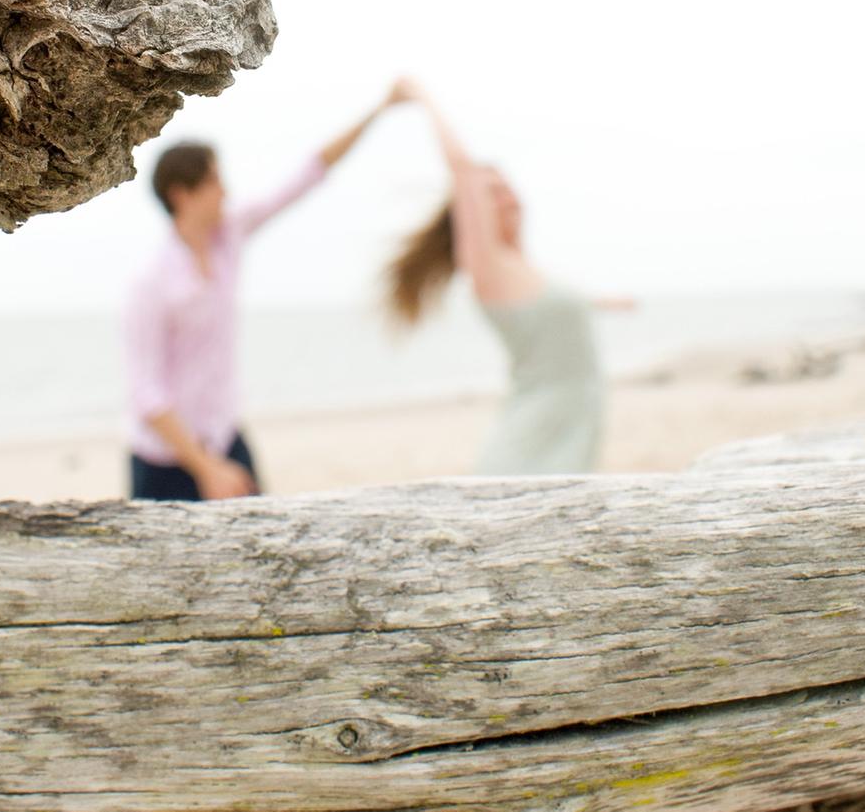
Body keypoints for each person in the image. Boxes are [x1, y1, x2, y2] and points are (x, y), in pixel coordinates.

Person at [124, 82, 412, 501]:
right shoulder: (149, 281)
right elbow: (146, 395)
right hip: (165, 464)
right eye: (214, 181)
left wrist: (380, 108)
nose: (226, 191)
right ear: (181, 195)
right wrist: (206, 470)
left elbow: (307, 174)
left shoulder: (231, 235)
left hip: (225, 439)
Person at [388, 82, 613, 474]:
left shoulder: (523, 268)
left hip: (571, 424)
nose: (506, 196)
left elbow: (554, 312)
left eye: (506, 186)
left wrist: (610, 302)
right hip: (533, 435)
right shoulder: (486, 266)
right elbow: (462, 169)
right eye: (490, 194)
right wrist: (424, 98)